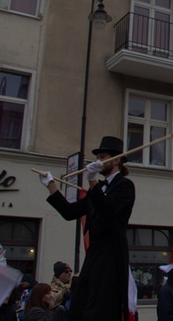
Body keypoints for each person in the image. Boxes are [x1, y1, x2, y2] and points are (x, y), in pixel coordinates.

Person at [38, 136, 136, 321]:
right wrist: (51, 186)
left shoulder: (125, 186)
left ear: (116, 160)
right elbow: (70, 212)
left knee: (101, 304)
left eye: (102, 157)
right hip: (95, 252)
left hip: (111, 252)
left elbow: (108, 209)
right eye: (97, 157)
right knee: (81, 300)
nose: (97, 161)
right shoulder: (97, 188)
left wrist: (91, 181)